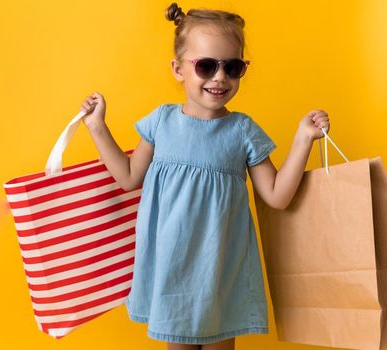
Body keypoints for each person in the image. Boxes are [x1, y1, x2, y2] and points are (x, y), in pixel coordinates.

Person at [79, 3, 330, 350]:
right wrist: (97, 127)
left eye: (233, 67)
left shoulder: (243, 130)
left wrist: (303, 139)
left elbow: (276, 196)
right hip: (172, 270)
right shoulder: (160, 122)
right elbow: (128, 177)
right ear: (178, 69)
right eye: (206, 66)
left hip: (221, 271)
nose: (220, 78)